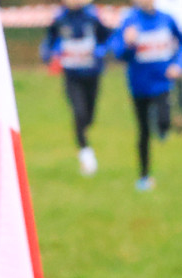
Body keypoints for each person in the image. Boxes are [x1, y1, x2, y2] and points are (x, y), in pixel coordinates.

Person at [109, 0, 182, 191]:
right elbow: (119, 53)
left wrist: (178, 65)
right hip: (139, 86)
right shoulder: (129, 21)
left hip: (162, 82)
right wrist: (128, 44)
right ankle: (144, 176)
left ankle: (163, 127)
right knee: (143, 131)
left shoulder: (166, 19)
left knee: (163, 121)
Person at [41, 0, 113, 176]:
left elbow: (108, 38)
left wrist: (100, 52)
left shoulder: (93, 16)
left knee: (88, 117)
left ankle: (84, 133)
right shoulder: (60, 18)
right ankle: (85, 153)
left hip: (92, 74)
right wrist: (49, 55)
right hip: (72, 76)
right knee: (78, 113)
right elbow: (49, 41)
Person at [155, 0, 182, 132]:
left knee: (179, 78)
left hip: (180, 32)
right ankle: (161, 118)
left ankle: (179, 116)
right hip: (162, 33)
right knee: (160, 77)